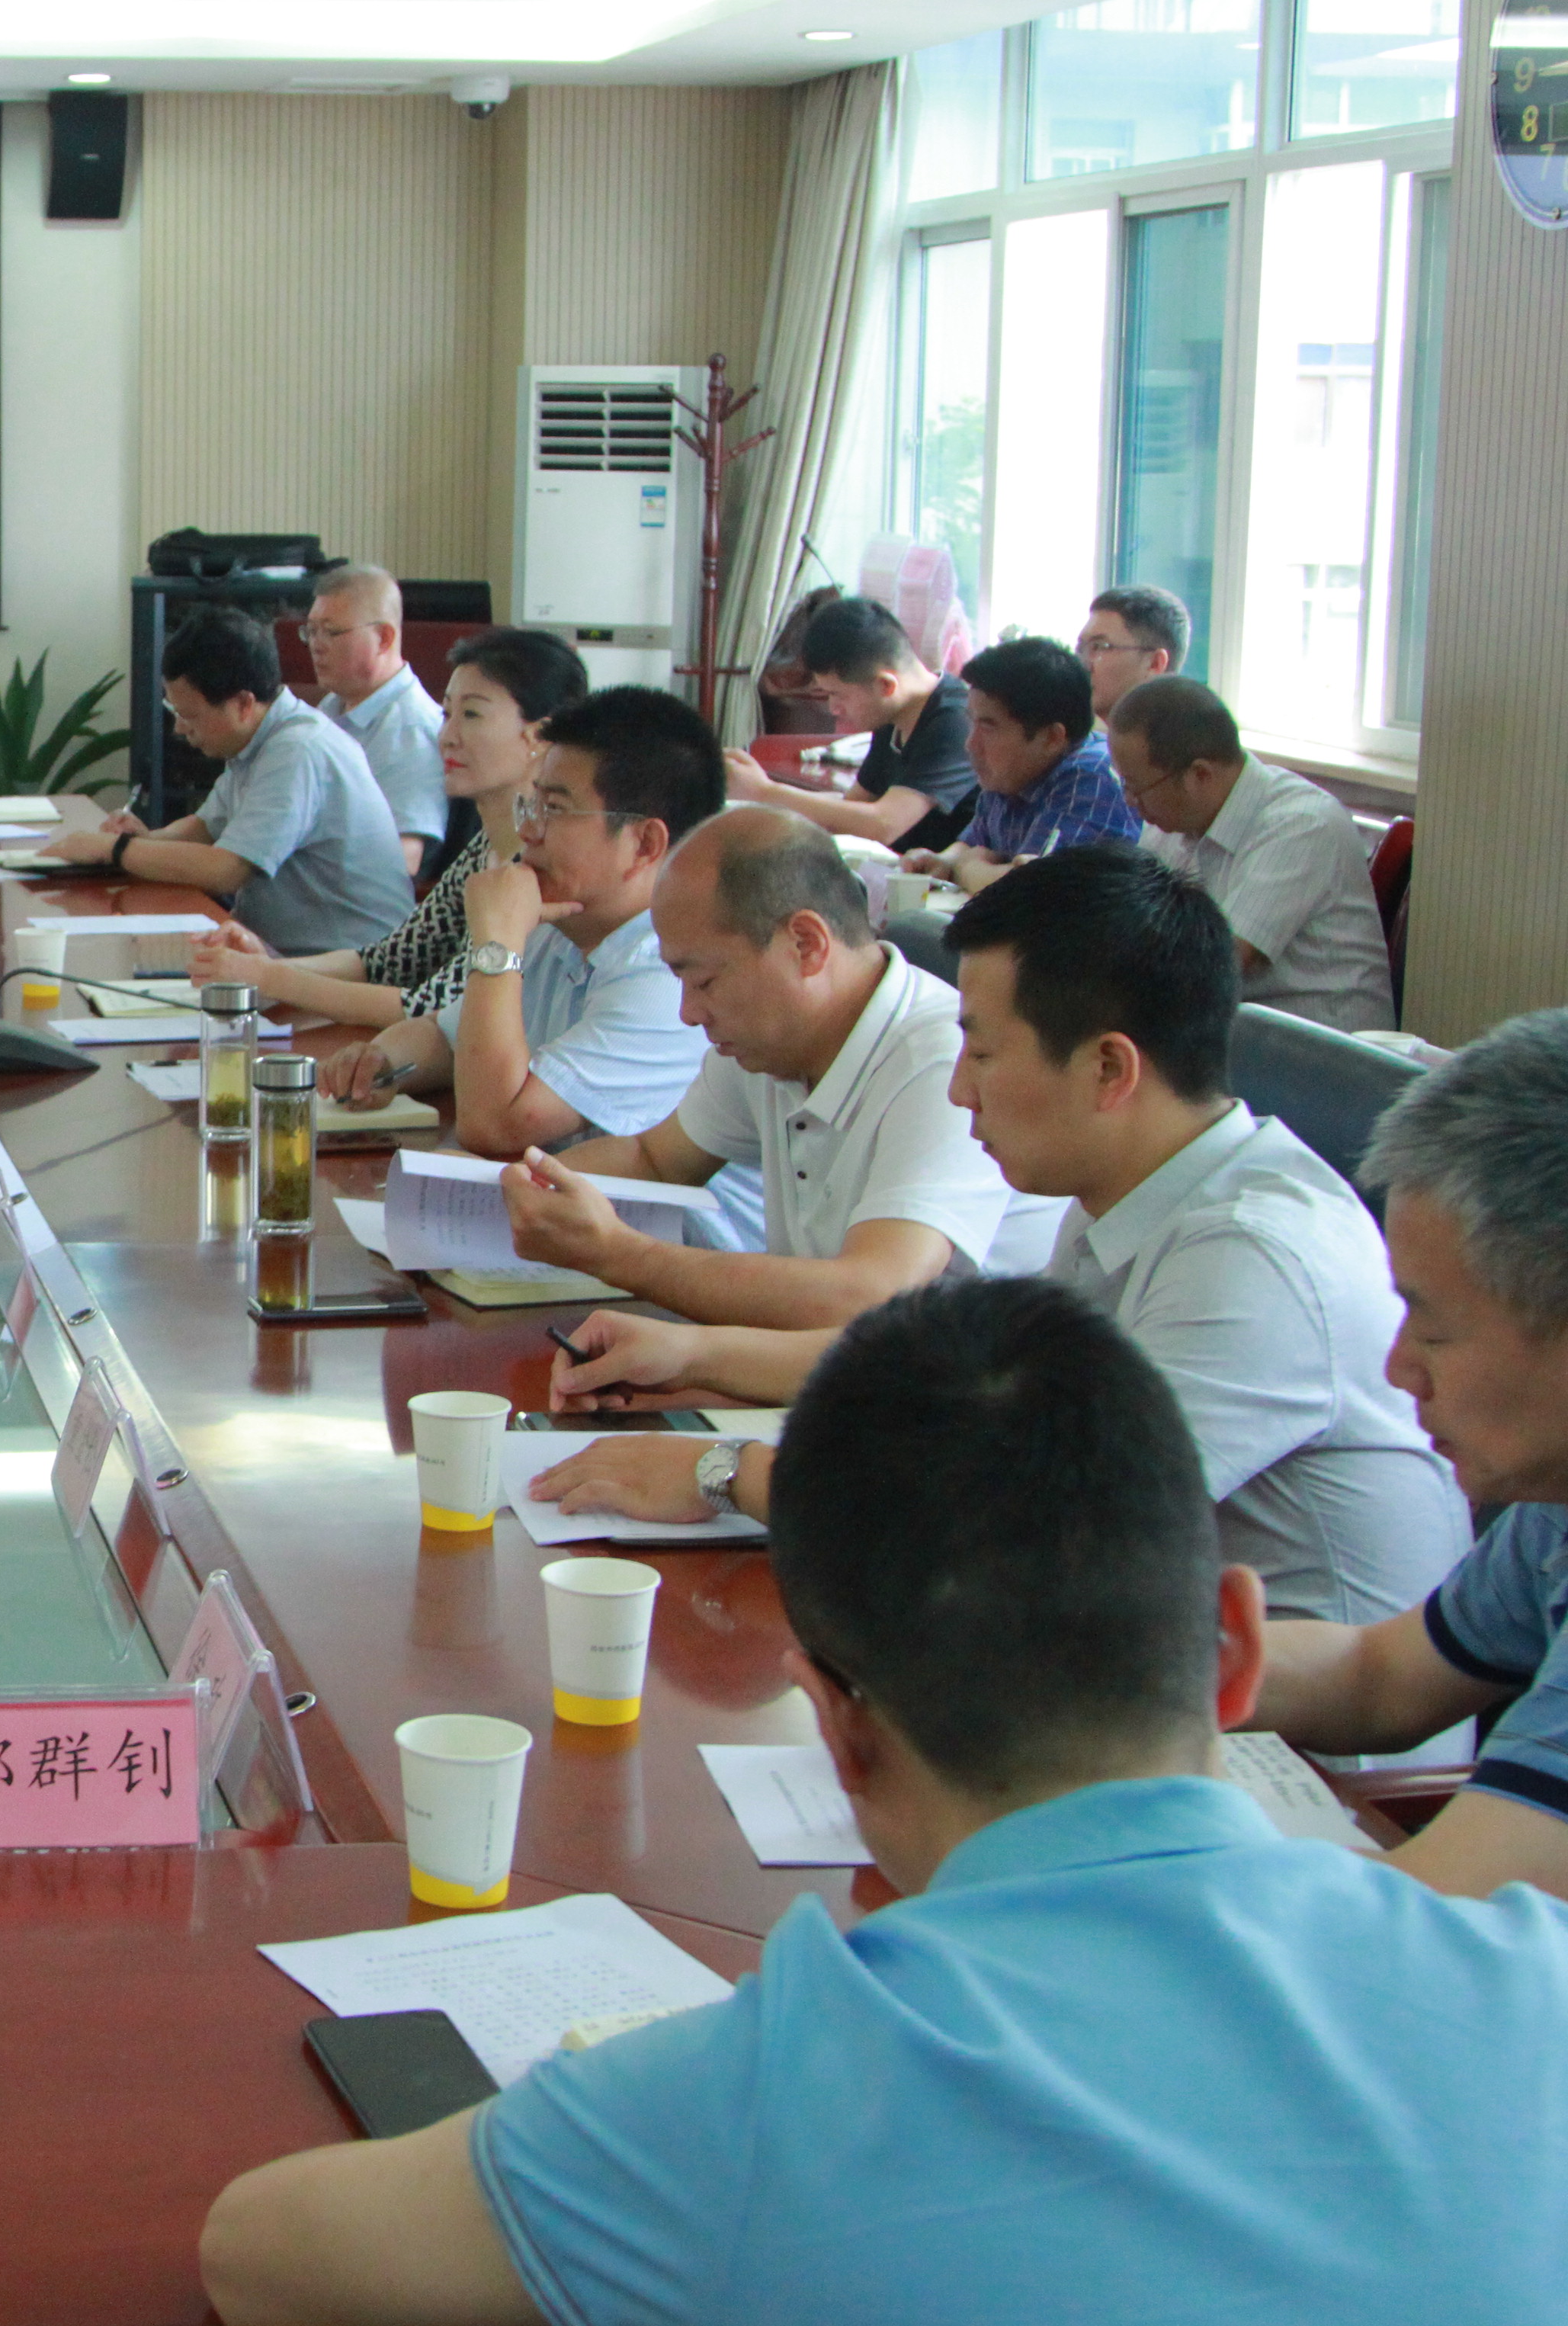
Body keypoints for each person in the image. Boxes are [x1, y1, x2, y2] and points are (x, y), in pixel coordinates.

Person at [200, 1278, 1568, 2326]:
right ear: (1238, 1651)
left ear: (835, 1723)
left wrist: (614, 2101)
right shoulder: (1537, 1985)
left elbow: (262, 2258)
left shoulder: (775, 2094)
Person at [533, 848, 1467, 1625]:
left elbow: (1023, 1524)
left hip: (1296, 1752)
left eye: (981, 1052)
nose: (960, 1089)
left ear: (1108, 1070)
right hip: (1128, 1659)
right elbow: (972, 1393)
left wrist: (723, 1471)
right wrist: (697, 1356)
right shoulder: (1129, 1191)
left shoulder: (1252, 1257)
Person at [1252, 1012, 1568, 1899]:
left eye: (1433, 1329)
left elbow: (1437, 1916)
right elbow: (1381, 1677)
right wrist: (1119, 1677)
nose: (1398, 1370)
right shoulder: (1553, 1502)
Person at [502, 808, 1016, 1328]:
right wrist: (506, 1194)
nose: (688, 1013)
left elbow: (872, 1298)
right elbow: (654, 1159)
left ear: (806, 944)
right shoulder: (773, 1045)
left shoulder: (944, 1063)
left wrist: (617, 1254)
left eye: (704, 981)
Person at [322, 690, 746, 1203]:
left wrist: (496, 944)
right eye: (532, 803)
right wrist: (382, 1060)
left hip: (682, 1241)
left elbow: (495, 1126)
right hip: (568, 1219)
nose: (527, 830)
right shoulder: (560, 921)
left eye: (555, 810)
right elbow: (444, 1034)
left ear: (644, 844)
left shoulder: (665, 973)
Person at [190, 627, 590, 1031]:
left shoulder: (543, 869)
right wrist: (266, 965)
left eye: (471, 715)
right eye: (447, 713)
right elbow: (386, 961)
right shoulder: (487, 846)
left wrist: (272, 978)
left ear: (539, 736)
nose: (447, 737)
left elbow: (434, 1010)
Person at [43, 608, 412, 954]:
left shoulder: (299, 750)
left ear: (243, 704)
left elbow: (226, 870)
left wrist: (116, 850)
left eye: (190, 715)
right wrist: (145, 840)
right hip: (280, 953)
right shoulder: (259, 739)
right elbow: (205, 827)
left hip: (347, 967)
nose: (179, 728)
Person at [1113, 676, 1394, 1032]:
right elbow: (1134, 929)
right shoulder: (1172, 818)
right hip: (1234, 1031)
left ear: (1200, 775)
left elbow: (1216, 966)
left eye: (1136, 788)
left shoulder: (1300, 824)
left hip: (1324, 1047)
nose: (1129, 801)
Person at [720, 594, 976, 850]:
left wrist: (765, 792)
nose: (833, 709)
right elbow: (855, 805)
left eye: (838, 695)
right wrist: (758, 796)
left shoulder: (955, 722)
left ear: (885, 685)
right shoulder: (892, 716)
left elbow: (884, 824)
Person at [909, 634, 1138, 889]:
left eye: (989, 727)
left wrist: (967, 869)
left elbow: (1033, 891)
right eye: (971, 722)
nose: (970, 744)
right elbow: (974, 845)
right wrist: (944, 861)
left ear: (1052, 738)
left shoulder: (1093, 776)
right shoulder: (1011, 774)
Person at [301, 563, 443, 877]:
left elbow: (404, 859)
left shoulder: (410, 729)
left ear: (383, 638)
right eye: (311, 631)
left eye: (331, 632)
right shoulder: (333, 705)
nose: (316, 645)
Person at [1077, 582, 1189, 731]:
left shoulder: (1183, 743)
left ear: (1155, 664)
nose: (1082, 664)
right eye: (1081, 648)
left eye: (1100, 647)